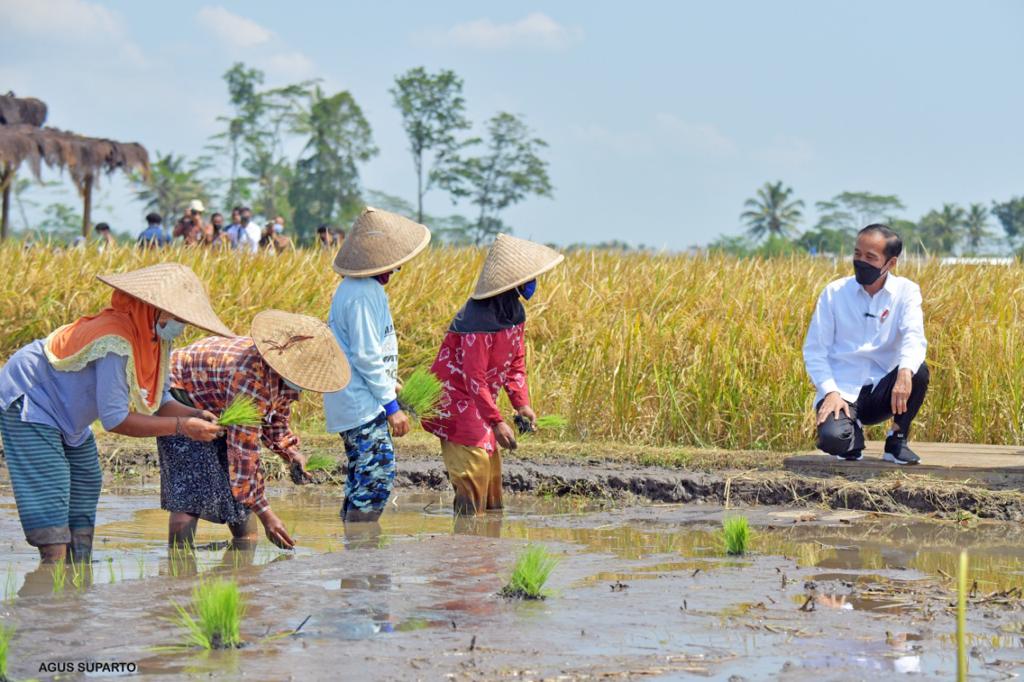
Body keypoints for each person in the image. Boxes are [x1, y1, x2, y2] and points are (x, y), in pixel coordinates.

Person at [0, 263, 232, 564]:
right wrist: (182, 426)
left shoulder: (154, 339)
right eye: (177, 317)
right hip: (32, 397)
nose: (180, 325)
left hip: (69, 409)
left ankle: (79, 567)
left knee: (87, 479)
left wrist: (197, 413)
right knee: (52, 485)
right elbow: (115, 420)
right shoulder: (116, 340)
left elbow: (159, 399)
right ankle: (53, 575)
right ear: (153, 309)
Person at [159, 310, 350, 550]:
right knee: (190, 491)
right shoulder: (250, 378)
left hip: (218, 400)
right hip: (181, 392)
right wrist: (267, 515)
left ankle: (244, 561)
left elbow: (275, 415)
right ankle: (180, 565)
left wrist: (291, 453)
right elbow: (244, 456)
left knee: (237, 494)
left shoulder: (281, 374)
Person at [422, 234, 564, 515]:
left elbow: (516, 363)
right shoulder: (476, 320)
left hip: (480, 405)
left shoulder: (513, 311)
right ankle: (466, 545)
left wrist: (521, 404)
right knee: (472, 474)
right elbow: (474, 379)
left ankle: (486, 548)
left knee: (492, 476)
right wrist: (497, 422)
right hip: (457, 402)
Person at [325, 207, 430, 523]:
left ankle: (353, 560)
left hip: (360, 399)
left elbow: (366, 351)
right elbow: (366, 355)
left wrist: (392, 383)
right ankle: (360, 555)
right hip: (361, 404)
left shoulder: (361, 289)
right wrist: (392, 406)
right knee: (376, 480)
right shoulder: (361, 292)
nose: (397, 268)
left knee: (362, 481)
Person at [803, 224, 929, 465]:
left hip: (882, 391)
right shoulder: (834, 292)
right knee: (835, 441)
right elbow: (815, 351)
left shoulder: (907, 291)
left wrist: (904, 372)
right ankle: (852, 432)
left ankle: (896, 440)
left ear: (890, 263)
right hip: (842, 391)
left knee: (917, 370)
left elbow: (914, 336)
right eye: (857, 254)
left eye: (870, 257)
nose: (861, 261)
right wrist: (830, 392)